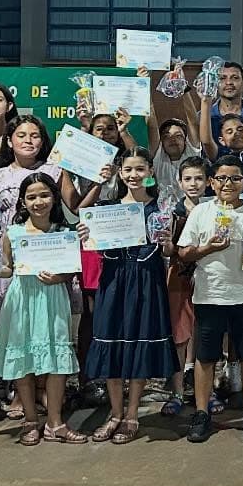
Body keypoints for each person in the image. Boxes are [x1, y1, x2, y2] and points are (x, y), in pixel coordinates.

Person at [81, 146, 178, 444]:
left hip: (147, 281)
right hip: (114, 281)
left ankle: (132, 414)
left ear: (150, 172)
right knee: (111, 345)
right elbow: (93, 244)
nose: (134, 175)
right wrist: (87, 236)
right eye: (128, 170)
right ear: (120, 173)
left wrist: (166, 242)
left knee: (138, 344)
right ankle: (115, 413)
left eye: (140, 169)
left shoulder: (161, 210)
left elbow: (170, 253)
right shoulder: (107, 208)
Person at [0, 172, 87, 445]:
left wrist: (60, 277)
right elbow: (7, 269)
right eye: (31, 197)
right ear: (22, 202)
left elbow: (72, 272)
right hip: (21, 300)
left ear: (54, 198)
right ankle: (30, 420)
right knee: (24, 360)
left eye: (44, 195)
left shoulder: (64, 233)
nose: (38, 201)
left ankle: (55, 423)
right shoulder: (14, 232)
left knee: (56, 360)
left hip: (53, 298)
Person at [177, 154, 243, 445]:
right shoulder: (201, 212)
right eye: (222, 178)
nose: (228, 184)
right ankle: (202, 413)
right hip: (210, 295)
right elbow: (183, 253)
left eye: (235, 178)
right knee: (206, 358)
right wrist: (206, 249)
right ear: (212, 182)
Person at [163, 155, 209, 416]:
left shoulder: (215, 209)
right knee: (180, 336)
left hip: (208, 278)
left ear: (208, 182)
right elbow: (169, 250)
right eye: (188, 179)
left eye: (199, 178)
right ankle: (177, 391)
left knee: (204, 334)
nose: (193, 184)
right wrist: (166, 243)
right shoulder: (171, 211)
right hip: (178, 278)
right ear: (179, 182)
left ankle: (206, 392)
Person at [148, 102, 202, 199]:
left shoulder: (192, 153)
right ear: (161, 143)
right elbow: (152, 127)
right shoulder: (158, 156)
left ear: (185, 141)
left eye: (178, 136)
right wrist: (145, 90)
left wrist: (185, 90)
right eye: (167, 136)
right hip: (164, 211)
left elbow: (193, 122)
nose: (172, 139)